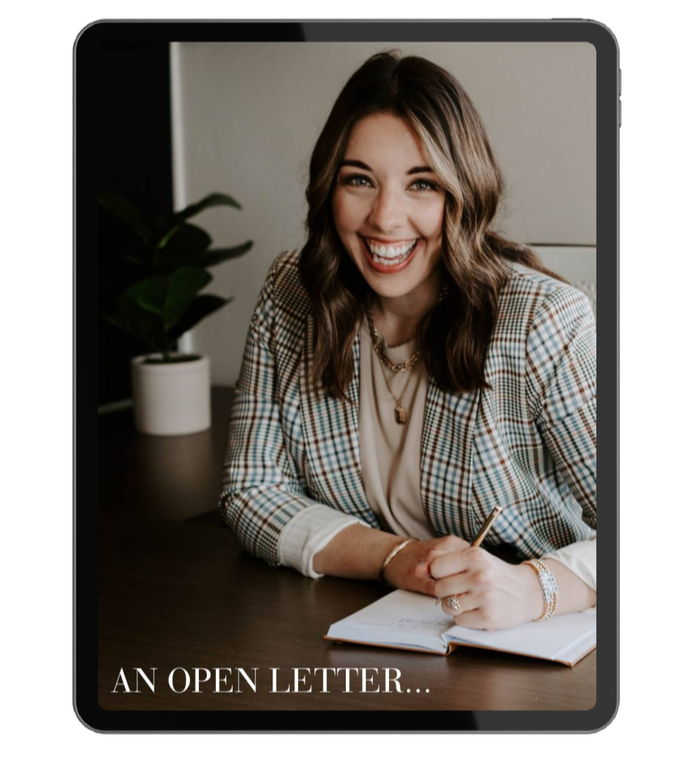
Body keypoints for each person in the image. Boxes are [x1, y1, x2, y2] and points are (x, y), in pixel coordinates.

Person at [221, 51, 597, 631]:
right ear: (329, 187)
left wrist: (537, 587)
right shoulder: (292, 295)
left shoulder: (545, 320)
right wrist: (393, 558)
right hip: (361, 636)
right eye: (359, 180)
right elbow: (251, 492)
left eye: (421, 184)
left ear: (462, 193)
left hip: (529, 647)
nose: (385, 218)